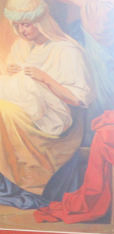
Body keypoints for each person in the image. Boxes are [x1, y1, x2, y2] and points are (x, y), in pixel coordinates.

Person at [0, 0, 92, 192]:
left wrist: (45, 78)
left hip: (54, 118)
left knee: (5, 111)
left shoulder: (66, 49)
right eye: (17, 25)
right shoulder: (21, 46)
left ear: (41, 22)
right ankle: (10, 174)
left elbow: (78, 99)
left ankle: (28, 176)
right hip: (28, 108)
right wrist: (11, 72)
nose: (22, 31)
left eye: (26, 25)